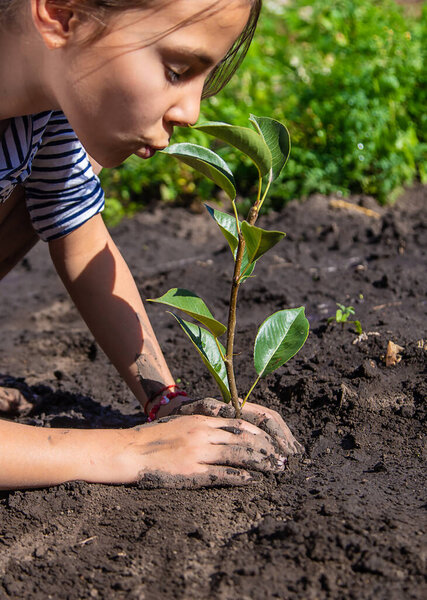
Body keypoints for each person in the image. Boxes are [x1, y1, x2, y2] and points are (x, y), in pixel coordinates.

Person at [0, 0, 302, 490]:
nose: (192, 112)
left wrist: (165, 402)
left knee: (65, 186)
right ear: (60, 13)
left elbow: (78, 235)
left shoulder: (44, 107)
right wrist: (127, 451)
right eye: (176, 70)